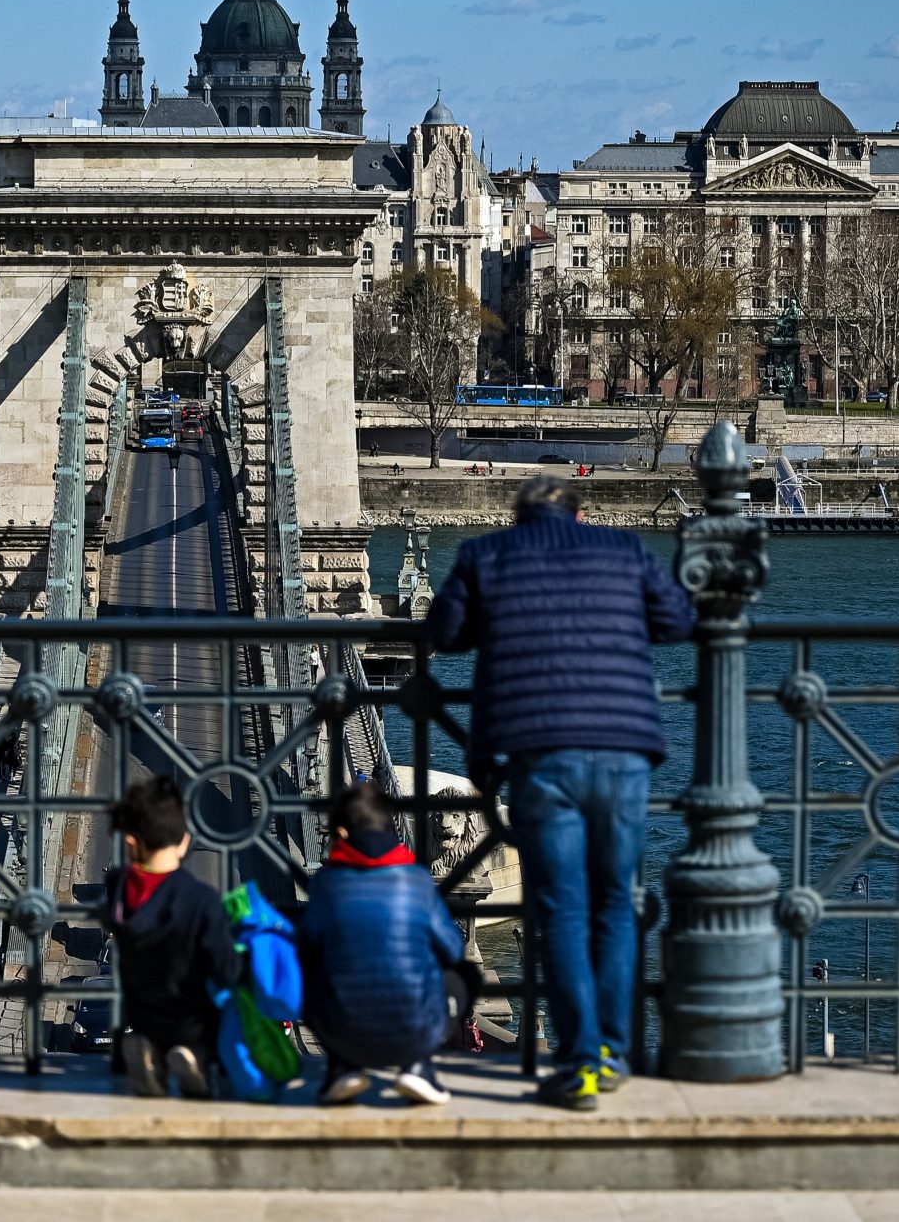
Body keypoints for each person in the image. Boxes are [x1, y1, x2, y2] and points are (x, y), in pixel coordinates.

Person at [425, 474, 695, 1111]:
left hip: (541, 752)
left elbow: (444, 631)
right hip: (624, 751)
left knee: (562, 911)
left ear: (519, 517)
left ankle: (579, 1062)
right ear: (579, 513)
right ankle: (612, 1050)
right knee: (613, 901)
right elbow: (678, 620)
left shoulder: (487, 555)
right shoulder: (623, 551)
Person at [297, 780, 467, 1107]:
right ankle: (419, 1065)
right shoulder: (417, 878)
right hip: (415, 1032)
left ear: (342, 834)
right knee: (465, 977)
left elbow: (306, 947)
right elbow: (453, 949)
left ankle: (342, 1066)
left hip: (341, 1031)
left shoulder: (326, 882)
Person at [105, 775, 241, 1098]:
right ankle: (195, 1058)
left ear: (130, 843)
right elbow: (226, 970)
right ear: (184, 840)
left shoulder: (118, 888)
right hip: (190, 1019)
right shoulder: (200, 899)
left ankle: (152, 1056)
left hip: (141, 1013)